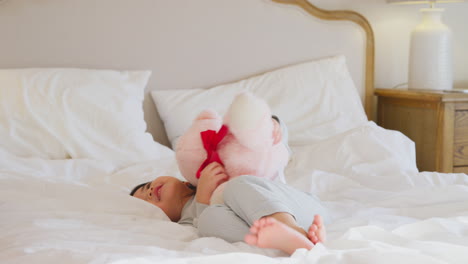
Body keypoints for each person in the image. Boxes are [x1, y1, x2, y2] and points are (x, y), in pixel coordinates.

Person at [130, 118, 330, 255]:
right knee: (208, 221)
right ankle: (293, 242)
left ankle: (293, 231)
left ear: (183, 181)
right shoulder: (186, 223)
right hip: (292, 229)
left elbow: (263, 154)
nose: (149, 191)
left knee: (237, 185)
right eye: (147, 200)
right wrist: (201, 201)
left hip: (299, 208)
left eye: (147, 186)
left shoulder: (212, 171)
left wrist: (272, 126)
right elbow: (210, 224)